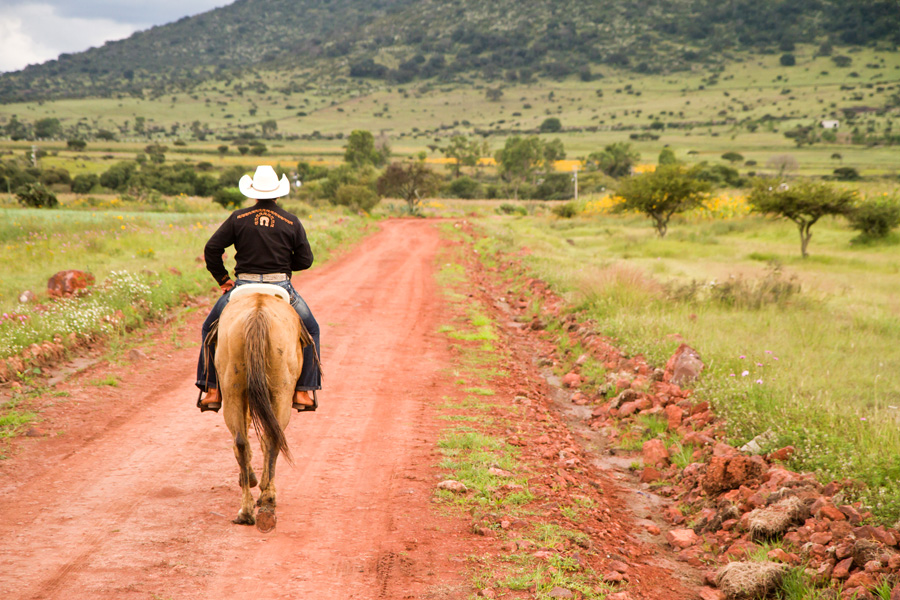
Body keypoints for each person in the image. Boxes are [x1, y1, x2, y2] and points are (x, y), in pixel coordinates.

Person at [196, 165, 320, 413]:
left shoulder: (238, 218)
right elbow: (306, 260)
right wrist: (285, 265)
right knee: (312, 330)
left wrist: (223, 280)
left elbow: (212, 249)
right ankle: (304, 391)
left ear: (253, 192)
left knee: (209, 327)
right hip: (280, 286)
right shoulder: (291, 221)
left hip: (243, 285)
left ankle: (211, 389)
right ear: (277, 193)